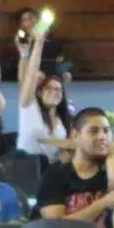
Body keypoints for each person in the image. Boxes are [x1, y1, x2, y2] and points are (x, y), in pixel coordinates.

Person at [37, 107, 114, 225]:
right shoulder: (55, 175)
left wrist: (112, 154)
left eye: (106, 131)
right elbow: (56, 227)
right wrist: (103, 203)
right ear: (76, 135)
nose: (102, 136)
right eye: (94, 131)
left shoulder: (111, 171)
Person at [14, 29, 71, 158]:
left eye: (58, 90)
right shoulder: (29, 106)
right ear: (39, 93)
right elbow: (29, 75)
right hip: (26, 167)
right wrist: (38, 44)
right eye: (49, 89)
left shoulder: (62, 117)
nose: (54, 92)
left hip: (53, 169)